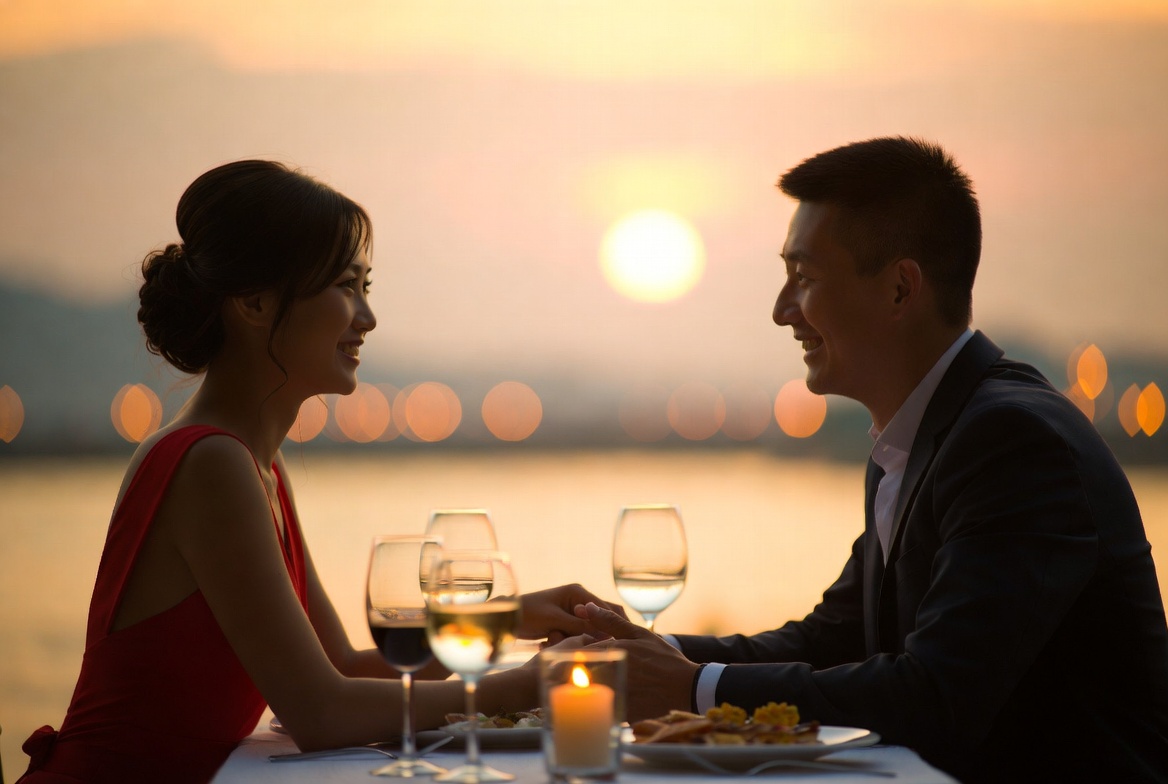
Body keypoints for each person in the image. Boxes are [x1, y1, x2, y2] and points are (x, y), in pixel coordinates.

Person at [575, 137, 1168, 782]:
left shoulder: (1014, 443)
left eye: (804, 278)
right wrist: (644, 653)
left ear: (899, 289)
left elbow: (936, 695)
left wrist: (693, 689)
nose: (781, 311)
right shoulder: (923, 435)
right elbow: (834, 639)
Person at [18, 159, 613, 784]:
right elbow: (319, 712)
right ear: (253, 303)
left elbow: (344, 670)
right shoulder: (209, 463)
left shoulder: (255, 464)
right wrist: (522, 686)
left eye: (366, 287)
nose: (367, 317)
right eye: (345, 286)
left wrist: (504, 619)